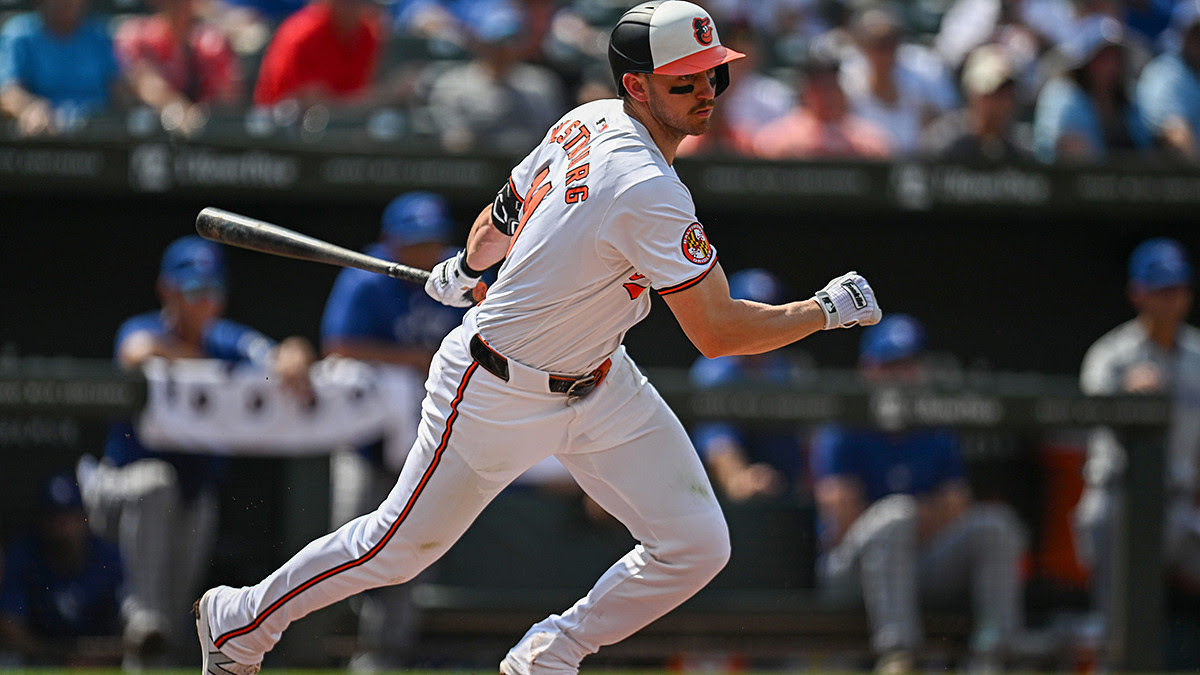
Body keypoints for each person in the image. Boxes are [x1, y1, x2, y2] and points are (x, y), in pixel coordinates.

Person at [194, 3, 882, 674]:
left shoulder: (589, 119)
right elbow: (718, 331)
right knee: (396, 548)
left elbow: (499, 217)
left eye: (715, 75)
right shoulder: (647, 186)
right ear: (638, 86)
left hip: (601, 379)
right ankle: (242, 619)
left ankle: (548, 656)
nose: (706, 92)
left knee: (696, 543)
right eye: (686, 81)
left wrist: (467, 266)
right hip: (497, 386)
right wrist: (826, 309)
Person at [78, 235, 314, 669]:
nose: (204, 301)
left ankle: (151, 639)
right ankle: (141, 615)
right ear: (168, 290)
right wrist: (202, 364)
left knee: (175, 601)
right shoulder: (144, 327)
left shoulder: (227, 339)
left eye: (212, 290)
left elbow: (275, 357)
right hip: (119, 492)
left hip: (192, 493)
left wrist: (293, 353)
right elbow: (136, 353)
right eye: (192, 290)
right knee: (157, 484)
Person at [810, 314, 1027, 673]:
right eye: (892, 365)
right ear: (869, 370)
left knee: (996, 525)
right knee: (895, 516)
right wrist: (919, 514)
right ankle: (900, 656)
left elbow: (959, 505)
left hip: (916, 564)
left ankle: (996, 657)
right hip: (849, 571)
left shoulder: (934, 424)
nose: (902, 376)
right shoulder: (845, 423)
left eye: (909, 365)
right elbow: (844, 520)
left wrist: (911, 517)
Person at [319, 191, 467, 671]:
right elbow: (338, 347)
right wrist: (416, 362)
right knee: (349, 541)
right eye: (414, 242)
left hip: (428, 439)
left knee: (414, 545)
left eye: (432, 242)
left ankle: (386, 653)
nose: (425, 253)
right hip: (368, 437)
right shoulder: (367, 276)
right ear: (391, 241)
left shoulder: (457, 277)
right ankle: (334, 642)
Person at [1074, 237, 1200, 654]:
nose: (1173, 300)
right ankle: (1113, 656)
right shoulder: (1112, 356)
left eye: (1179, 289)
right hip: (1119, 501)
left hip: (1181, 507)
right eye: (1162, 290)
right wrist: (1125, 400)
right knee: (1119, 625)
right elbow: (1085, 415)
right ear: (1138, 294)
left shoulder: (1198, 355)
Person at [688, 269, 808, 501]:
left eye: (768, 312)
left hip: (788, 495)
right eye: (751, 311)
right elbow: (717, 444)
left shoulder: (788, 369)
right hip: (722, 501)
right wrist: (740, 477)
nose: (760, 323)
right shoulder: (715, 371)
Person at [0, 472, 125, 666]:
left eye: (69, 517)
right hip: (40, 660)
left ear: (85, 519)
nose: (62, 527)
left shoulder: (108, 557)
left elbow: (130, 632)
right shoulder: (23, 555)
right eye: (54, 517)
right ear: (41, 521)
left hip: (101, 660)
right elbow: (10, 627)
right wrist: (61, 658)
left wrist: (100, 656)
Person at [423, 0, 567, 154]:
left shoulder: (541, 84)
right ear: (478, 41)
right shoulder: (452, 85)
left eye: (510, 41)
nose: (502, 50)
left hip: (530, 168)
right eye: (495, 42)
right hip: (478, 167)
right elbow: (453, 143)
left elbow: (555, 140)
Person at [839, 7, 959, 156]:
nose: (884, 53)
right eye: (877, 45)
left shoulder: (925, 71)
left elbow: (950, 117)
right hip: (865, 165)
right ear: (863, 46)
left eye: (890, 43)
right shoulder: (846, 78)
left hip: (917, 165)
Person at [115, 0, 243, 136]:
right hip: (145, 140)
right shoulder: (137, 36)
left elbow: (228, 100)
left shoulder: (211, 44)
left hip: (202, 144)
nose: (179, 6)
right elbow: (142, 85)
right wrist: (178, 108)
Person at [1033, 16, 1151, 163]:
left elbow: (1147, 151)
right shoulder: (1062, 95)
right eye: (1102, 57)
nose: (1110, 65)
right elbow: (1073, 153)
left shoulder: (1130, 100)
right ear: (1085, 61)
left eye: (1115, 57)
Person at [0, 0, 122, 136]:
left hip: (98, 136)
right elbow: (9, 92)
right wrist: (29, 108)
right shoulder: (19, 34)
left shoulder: (99, 35)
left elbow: (119, 88)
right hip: (43, 139)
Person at [750, 45, 892, 159]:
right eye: (820, 88)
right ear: (806, 92)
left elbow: (882, 155)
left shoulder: (864, 138)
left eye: (832, 87)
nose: (828, 95)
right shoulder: (780, 136)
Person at [252, 0, 384, 108]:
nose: (353, 6)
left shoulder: (366, 35)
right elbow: (294, 102)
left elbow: (356, 94)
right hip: (280, 125)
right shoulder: (302, 34)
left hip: (340, 124)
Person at [922, 43, 1030, 161]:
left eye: (1006, 94)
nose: (1000, 102)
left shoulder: (1021, 146)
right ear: (972, 93)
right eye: (992, 93)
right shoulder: (943, 138)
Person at [1135, 0, 1200, 161]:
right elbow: (1177, 137)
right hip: (1168, 179)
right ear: (1183, 35)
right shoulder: (1165, 74)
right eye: (1197, 34)